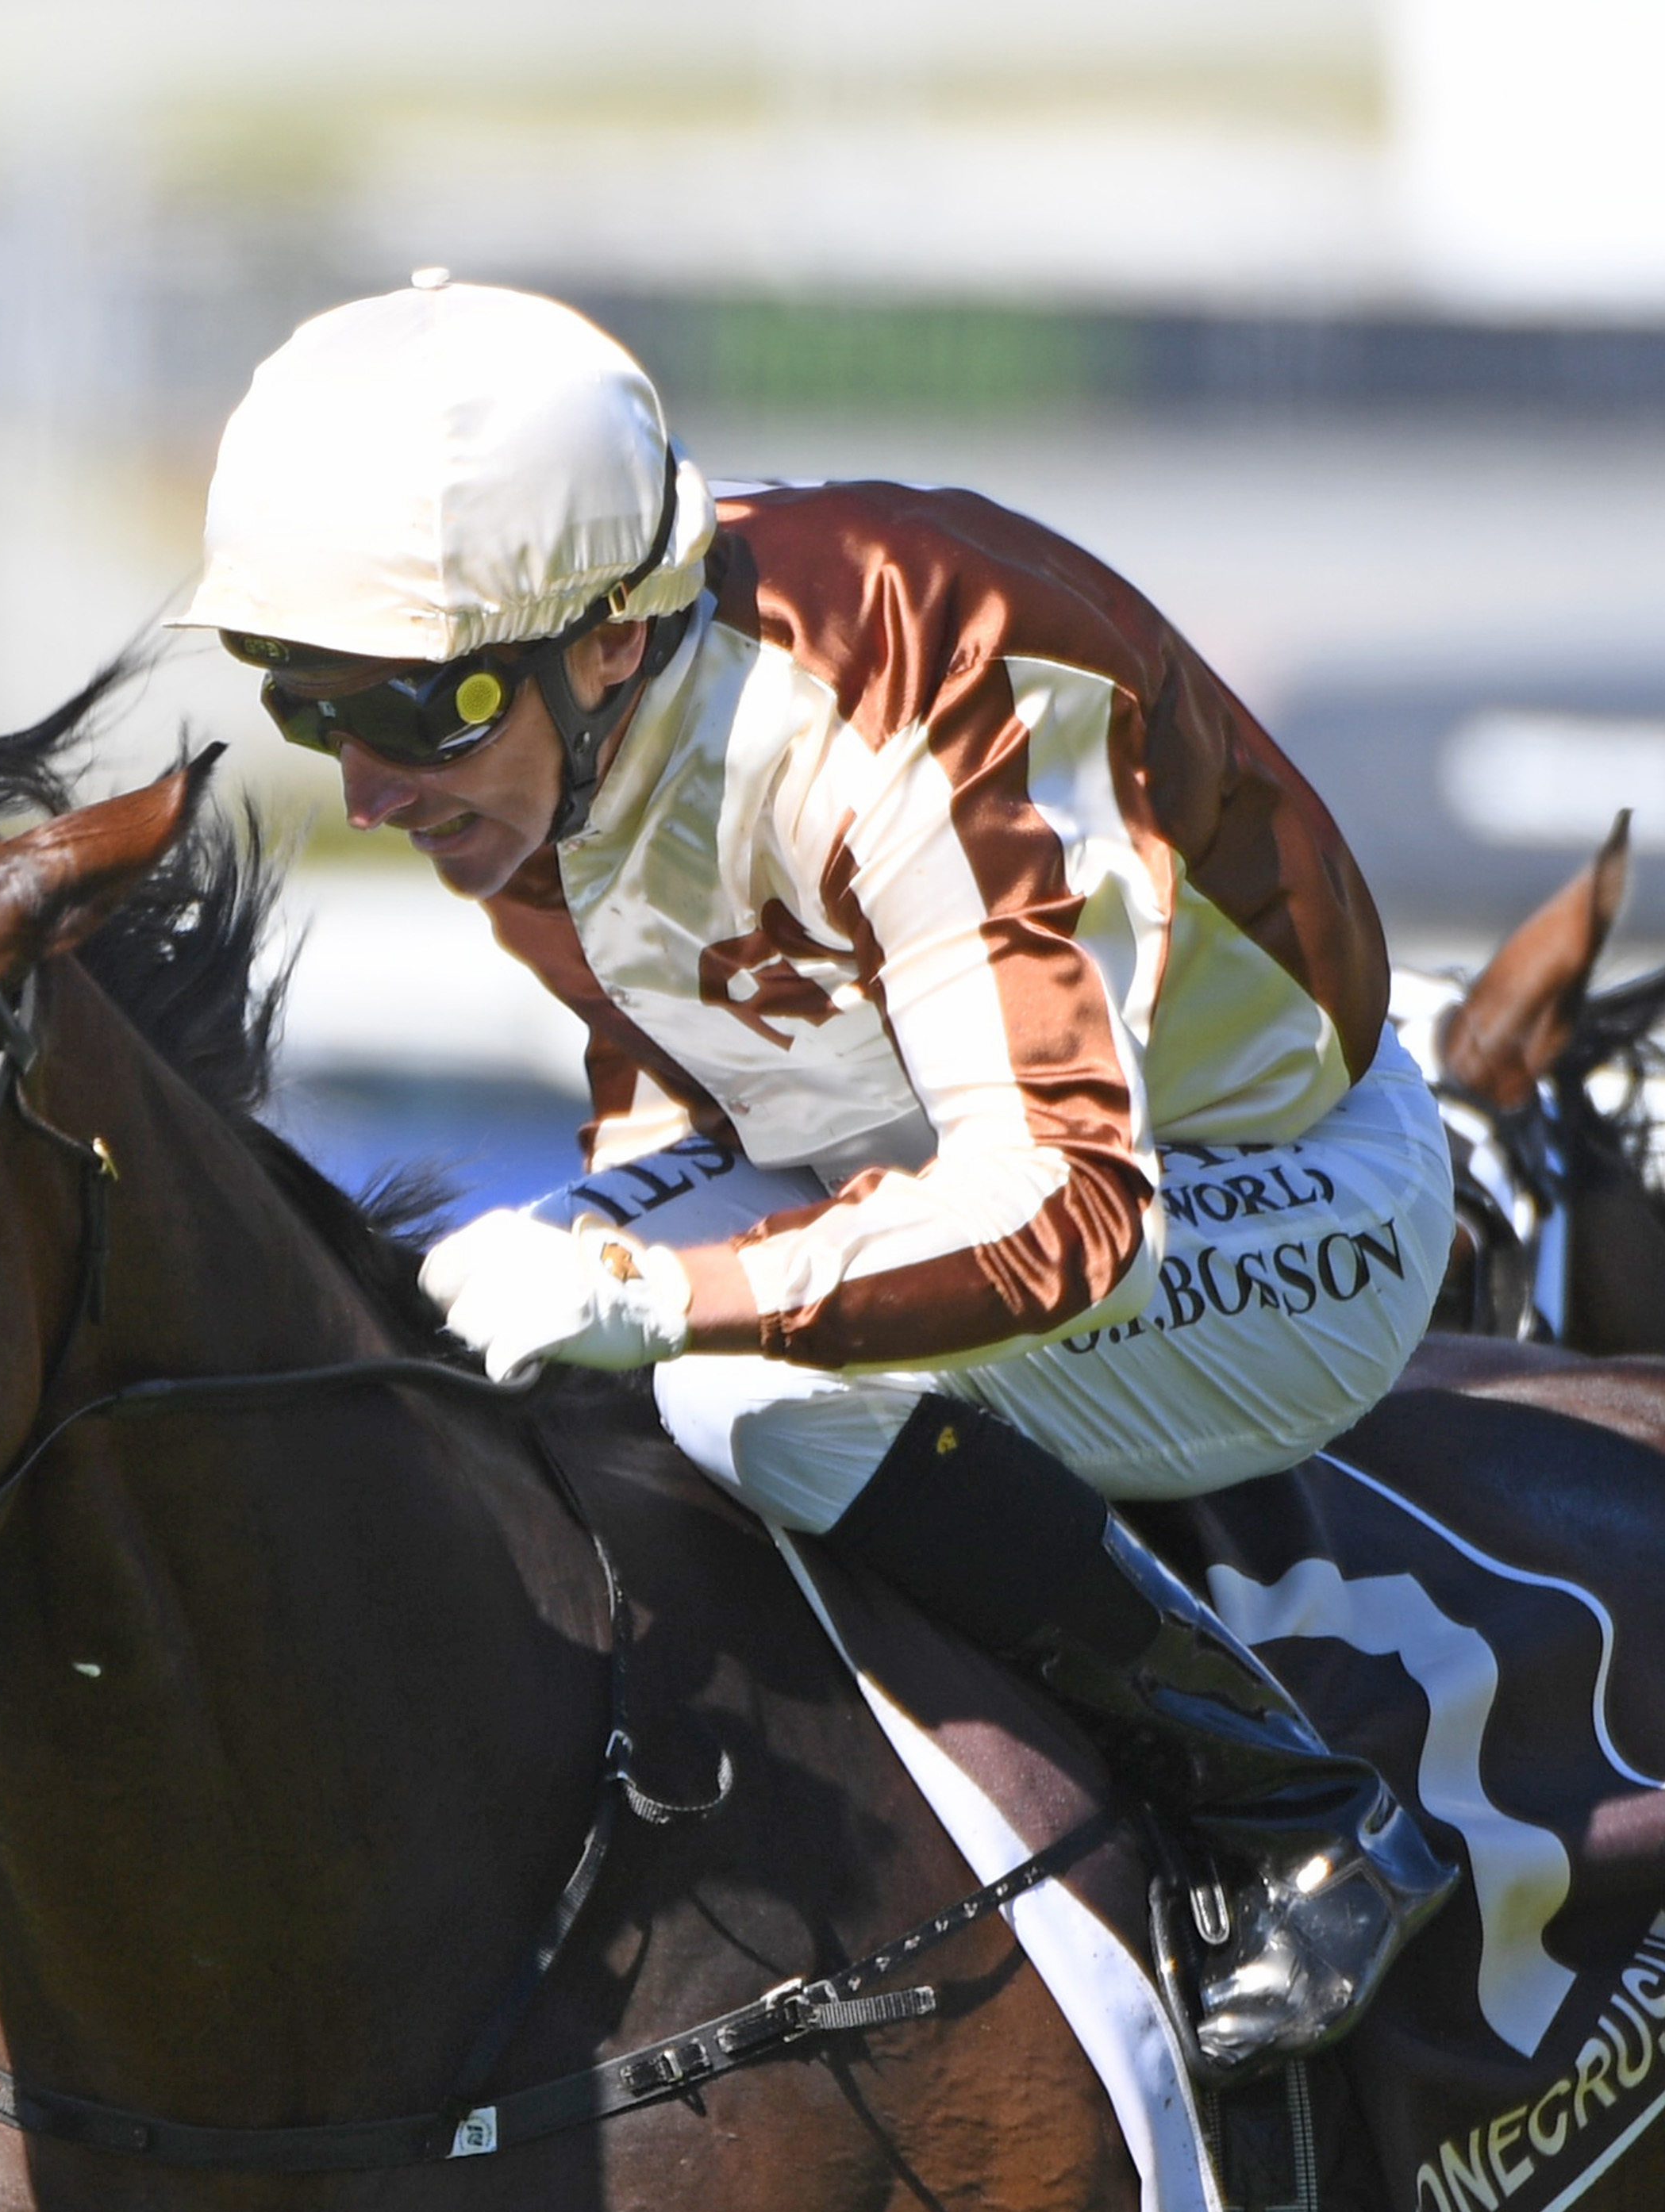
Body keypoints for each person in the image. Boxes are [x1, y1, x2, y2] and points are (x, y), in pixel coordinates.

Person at [179, 277, 1457, 2070]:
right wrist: (592, 1255)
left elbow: (1070, 1214)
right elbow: (683, 1077)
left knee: (735, 1388)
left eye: (417, 709)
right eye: (311, 709)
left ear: (607, 643)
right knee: (471, 1330)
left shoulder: (906, 693)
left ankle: (1295, 1806)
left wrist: (654, 1293)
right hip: (939, 1162)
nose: (371, 791)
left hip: (1264, 1189)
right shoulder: (541, 737)